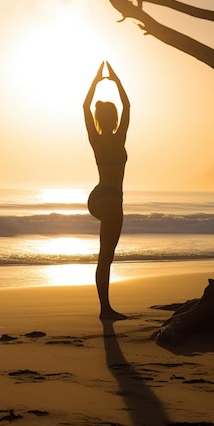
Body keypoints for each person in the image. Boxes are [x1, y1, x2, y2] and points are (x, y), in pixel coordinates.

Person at [84, 61, 130, 320]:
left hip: (98, 197)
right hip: (111, 199)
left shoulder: (96, 139)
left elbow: (85, 107)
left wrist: (95, 82)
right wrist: (115, 81)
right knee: (106, 257)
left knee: (106, 256)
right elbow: (128, 106)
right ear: (113, 119)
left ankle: (105, 308)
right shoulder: (119, 137)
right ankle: (105, 310)